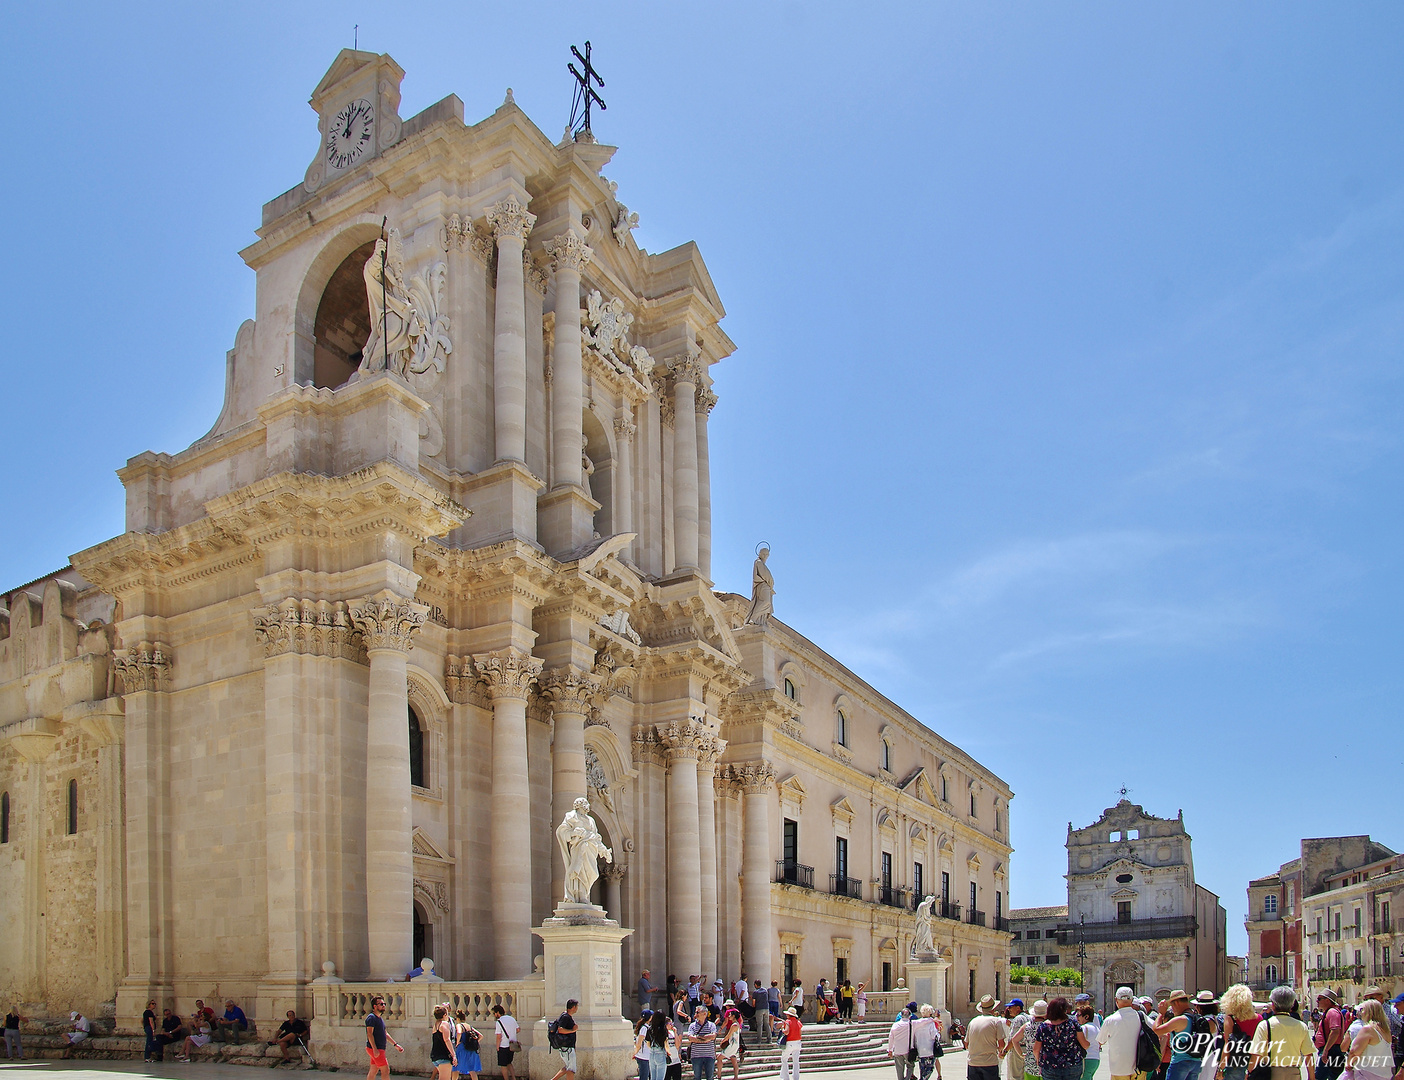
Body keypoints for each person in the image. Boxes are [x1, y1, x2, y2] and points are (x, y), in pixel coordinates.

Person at [1248, 986, 1315, 1080]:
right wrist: (1311, 1077)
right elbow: (1308, 1055)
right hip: (1294, 1073)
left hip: (1271, 1073)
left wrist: (1248, 1072)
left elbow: (1256, 1054)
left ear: (1273, 1005)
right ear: (1292, 1005)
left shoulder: (1265, 1025)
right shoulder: (1301, 1026)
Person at [1034, 996, 1089, 1080]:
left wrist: (1039, 1060)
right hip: (1072, 1064)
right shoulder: (1073, 1023)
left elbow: (1036, 1049)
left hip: (1050, 1065)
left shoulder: (1043, 1027)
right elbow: (1084, 1045)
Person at [1153, 990, 1204, 1080]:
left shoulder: (1180, 1020)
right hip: (1196, 1062)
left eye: (1171, 1006)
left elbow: (1156, 1031)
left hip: (1180, 1062)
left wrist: (1161, 1013)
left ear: (1176, 1003)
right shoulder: (1196, 1016)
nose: (1172, 1009)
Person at [1215, 984, 1261, 1080]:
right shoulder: (1259, 1018)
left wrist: (1220, 1069)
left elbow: (1228, 1046)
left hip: (1236, 1063)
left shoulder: (1230, 1019)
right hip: (1254, 1062)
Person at [1099, 988, 1143, 1080]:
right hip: (1139, 1067)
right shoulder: (1142, 1017)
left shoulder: (1110, 1020)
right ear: (1131, 1000)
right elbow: (1156, 1029)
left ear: (1116, 1000)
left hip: (1119, 1068)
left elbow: (1100, 1041)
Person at [1344, 1000, 1393, 1080]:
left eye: (1362, 1010)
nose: (1360, 1013)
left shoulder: (1368, 1029)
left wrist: (1348, 1063)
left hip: (1367, 1073)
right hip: (1384, 1074)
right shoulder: (1386, 1030)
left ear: (1368, 1012)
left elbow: (1354, 1051)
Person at [966, 994, 1008, 1080]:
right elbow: (1001, 1045)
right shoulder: (996, 1021)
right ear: (993, 1008)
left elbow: (966, 1044)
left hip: (973, 1062)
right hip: (989, 1062)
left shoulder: (973, 1021)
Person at [366, 995, 403, 1080]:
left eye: (384, 1004)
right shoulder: (371, 1018)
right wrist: (375, 1049)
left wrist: (395, 1045)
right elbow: (369, 1034)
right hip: (376, 1049)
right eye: (381, 1004)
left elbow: (385, 1033)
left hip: (378, 1048)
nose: (383, 1006)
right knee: (385, 1070)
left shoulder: (379, 1018)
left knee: (373, 1070)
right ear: (375, 1006)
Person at [1317, 990, 1347, 1080]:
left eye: (1319, 999)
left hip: (1331, 1050)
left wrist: (1326, 1051)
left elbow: (1335, 1031)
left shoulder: (1332, 1012)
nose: (1317, 1001)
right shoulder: (1330, 1012)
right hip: (1331, 1049)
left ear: (1327, 1000)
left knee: (1320, 1077)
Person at [684, 1004, 718, 1080]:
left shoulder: (711, 1025)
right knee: (697, 1077)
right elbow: (690, 1038)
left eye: (697, 1012)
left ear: (704, 1014)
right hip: (696, 1056)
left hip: (709, 1055)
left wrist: (698, 1037)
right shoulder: (692, 1025)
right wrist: (706, 1039)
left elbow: (713, 1036)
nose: (695, 1014)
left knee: (710, 1077)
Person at [548, 999, 580, 1080]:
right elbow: (560, 1030)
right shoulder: (565, 1017)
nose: (577, 1008)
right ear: (573, 1007)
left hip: (566, 1047)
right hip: (567, 1048)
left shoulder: (566, 1016)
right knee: (571, 1069)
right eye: (577, 1006)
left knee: (568, 1067)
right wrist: (573, 1030)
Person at [915, 1004, 944, 1080]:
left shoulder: (917, 1023)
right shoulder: (931, 1024)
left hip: (920, 1049)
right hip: (929, 1049)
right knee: (929, 1069)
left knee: (922, 1069)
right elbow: (934, 1036)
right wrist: (939, 1032)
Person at [1022, 1001, 1049, 1080]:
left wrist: (1021, 1054)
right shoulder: (1048, 1026)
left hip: (1030, 1063)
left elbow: (1014, 1040)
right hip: (1046, 1063)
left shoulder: (1027, 1026)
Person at [1004, 999, 1029, 1080]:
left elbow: (1013, 1039)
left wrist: (1005, 1051)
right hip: (1026, 1049)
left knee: (1015, 1076)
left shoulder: (1018, 1019)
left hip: (1017, 1050)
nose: (1009, 1009)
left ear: (1018, 1008)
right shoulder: (1028, 1017)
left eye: (1011, 1007)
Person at [492, 1004, 518, 1080]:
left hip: (503, 1046)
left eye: (494, 1013)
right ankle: (514, 1078)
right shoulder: (511, 1019)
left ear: (497, 1013)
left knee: (503, 1065)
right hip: (512, 1045)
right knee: (509, 1063)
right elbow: (518, 1029)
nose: (494, 1015)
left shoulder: (499, 1022)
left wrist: (497, 1047)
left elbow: (499, 1036)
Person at [455, 1008, 483, 1080]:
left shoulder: (459, 1025)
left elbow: (459, 1032)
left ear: (457, 1018)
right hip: (470, 1049)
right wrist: (474, 1043)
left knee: (456, 1068)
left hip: (462, 1048)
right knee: (471, 1069)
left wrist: (457, 1042)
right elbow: (480, 1035)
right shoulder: (469, 1026)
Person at [718, 1003, 744, 1080]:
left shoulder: (734, 1025)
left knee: (719, 1058)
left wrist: (722, 1041)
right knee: (734, 1061)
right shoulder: (737, 1024)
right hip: (735, 1044)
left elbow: (729, 1035)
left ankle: (719, 1075)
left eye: (730, 1015)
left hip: (732, 1044)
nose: (729, 1016)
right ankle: (736, 1077)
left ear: (733, 1016)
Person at [1076, 1005, 1100, 1080]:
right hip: (1095, 1059)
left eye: (1079, 1015)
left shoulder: (1083, 1028)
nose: (1077, 1018)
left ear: (1086, 1017)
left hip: (1086, 1059)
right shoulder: (1096, 1028)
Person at [779, 1007, 803, 1080]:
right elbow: (800, 1032)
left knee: (784, 1059)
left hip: (790, 1042)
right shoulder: (798, 1022)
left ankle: (785, 1077)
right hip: (798, 1042)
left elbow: (786, 1032)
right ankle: (796, 1077)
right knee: (796, 1061)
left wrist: (782, 1029)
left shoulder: (788, 1021)